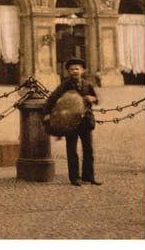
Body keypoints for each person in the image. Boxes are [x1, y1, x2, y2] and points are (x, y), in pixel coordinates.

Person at [43, 57, 101, 186]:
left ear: (83, 70)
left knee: (88, 150)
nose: (75, 71)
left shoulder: (88, 85)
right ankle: (74, 178)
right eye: (72, 69)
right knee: (72, 150)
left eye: (77, 69)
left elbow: (97, 99)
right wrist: (47, 114)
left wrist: (93, 99)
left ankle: (89, 177)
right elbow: (52, 99)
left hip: (86, 121)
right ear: (68, 72)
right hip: (70, 123)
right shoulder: (65, 85)